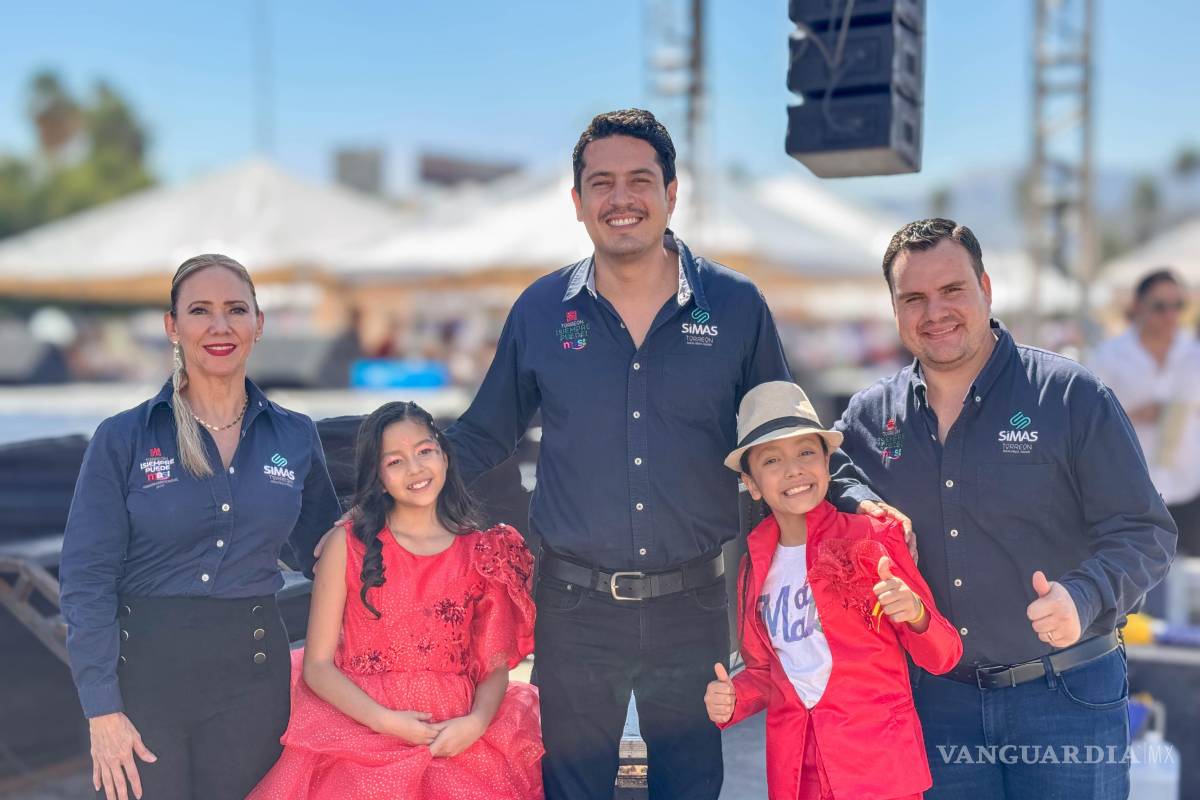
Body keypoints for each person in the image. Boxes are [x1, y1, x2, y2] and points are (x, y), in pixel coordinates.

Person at [438, 108, 910, 800]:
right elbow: (482, 435)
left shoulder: (736, 305)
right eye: (601, 184)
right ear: (577, 202)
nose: (620, 199)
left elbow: (785, 433)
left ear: (671, 192)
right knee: (571, 790)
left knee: (690, 787)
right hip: (573, 607)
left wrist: (859, 497)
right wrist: (383, 495)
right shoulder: (540, 311)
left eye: (639, 180)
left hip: (693, 603)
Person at [832, 219, 1177, 799]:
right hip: (936, 702)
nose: (934, 311)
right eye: (914, 298)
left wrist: (1083, 595)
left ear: (986, 288)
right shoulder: (872, 416)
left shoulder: (1071, 396)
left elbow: (1145, 532)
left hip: (1066, 695)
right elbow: (825, 471)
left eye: (952, 290)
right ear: (894, 309)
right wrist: (866, 505)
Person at [59, 254, 342, 800]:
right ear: (173, 326)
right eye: (200, 311)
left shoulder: (294, 436)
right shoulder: (123, 438)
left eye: (236, 309)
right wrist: (102, 709)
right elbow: (86, 580)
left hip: (254, 681)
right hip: (142, 682)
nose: (220, 326)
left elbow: (329, 555)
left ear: (259, 324)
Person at [248, 401, 542, 799]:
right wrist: (386, 721)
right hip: (362, 727)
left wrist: (474, 723)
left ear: (444, 454)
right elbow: (317, 666)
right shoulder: (346, 545)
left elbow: (493, 666)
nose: (416, 469)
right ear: (378, 476)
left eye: (424, 451)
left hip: (454, 733)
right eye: (395, 461)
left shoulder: (484, 551)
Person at [704, 381, 961, 800]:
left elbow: (944, 653)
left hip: (878, 770)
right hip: (797, 772)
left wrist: (914, 612)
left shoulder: (873, 537)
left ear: (827, 463)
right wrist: (734, 699)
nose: (793, 470)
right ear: (751, 484)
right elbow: (767, 673)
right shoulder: (753, 561)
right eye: (772, 460)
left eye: (806, 452)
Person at [1090, 270, 1200, 567]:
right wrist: (1134, 414)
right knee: (1140, 584)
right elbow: (1088, 420)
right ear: (1138, 306)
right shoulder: (1109, 356)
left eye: (1178, 306)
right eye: (1160, 306)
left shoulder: (1193, 353)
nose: (1170, 315)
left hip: (1190, 487)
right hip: (1134, 492)